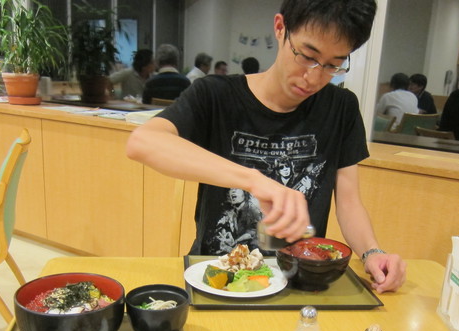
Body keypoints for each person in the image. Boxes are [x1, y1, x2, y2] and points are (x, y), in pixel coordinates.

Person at [127, 0, 406, 294]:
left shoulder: (341, 108)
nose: (314, 77)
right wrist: (255, 180)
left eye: (333, 65)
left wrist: (372, 252)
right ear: (280, 28)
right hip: (218, 278)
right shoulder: (216, 95)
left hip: (296, 281)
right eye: (307, 56)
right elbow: (143, 142)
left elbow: (349, 202)